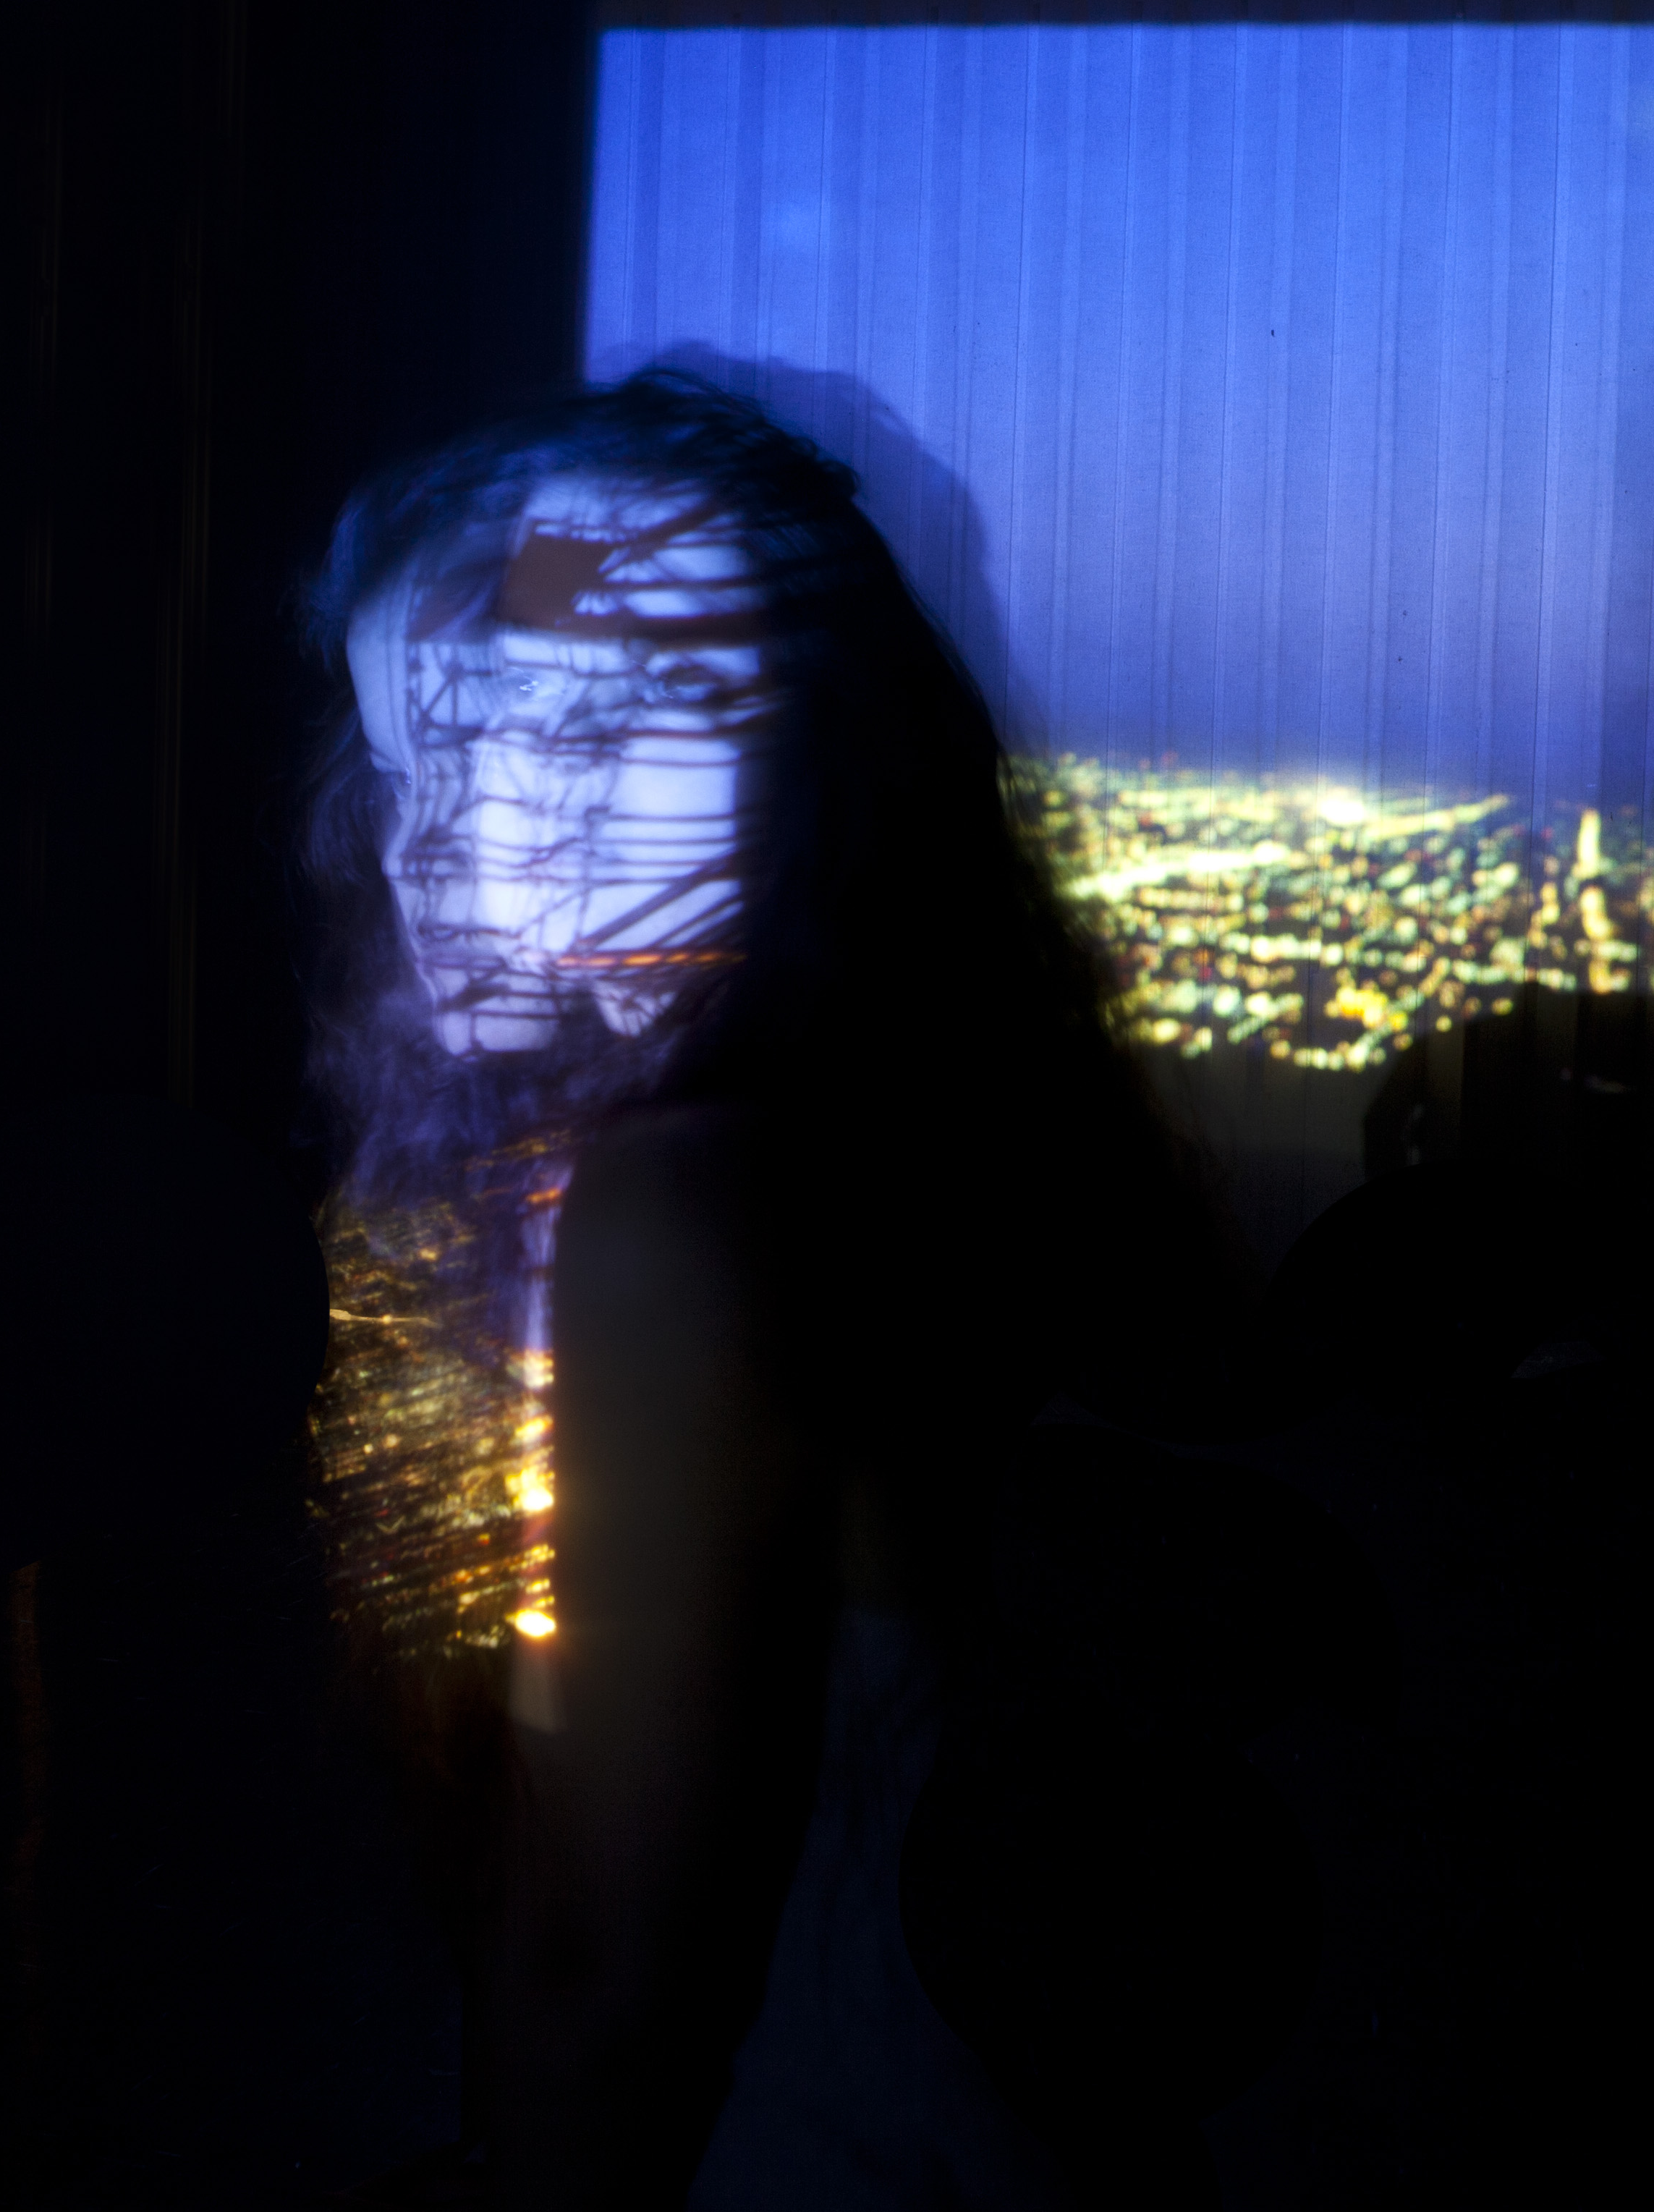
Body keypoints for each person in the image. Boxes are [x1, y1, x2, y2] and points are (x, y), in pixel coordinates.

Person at [297, 371, 1247, 2210]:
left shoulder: (686, 1212)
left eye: (561, 729)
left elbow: (598, 1982)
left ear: (800, 754)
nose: (440, 838)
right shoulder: (955, 1141)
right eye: (413, 758)